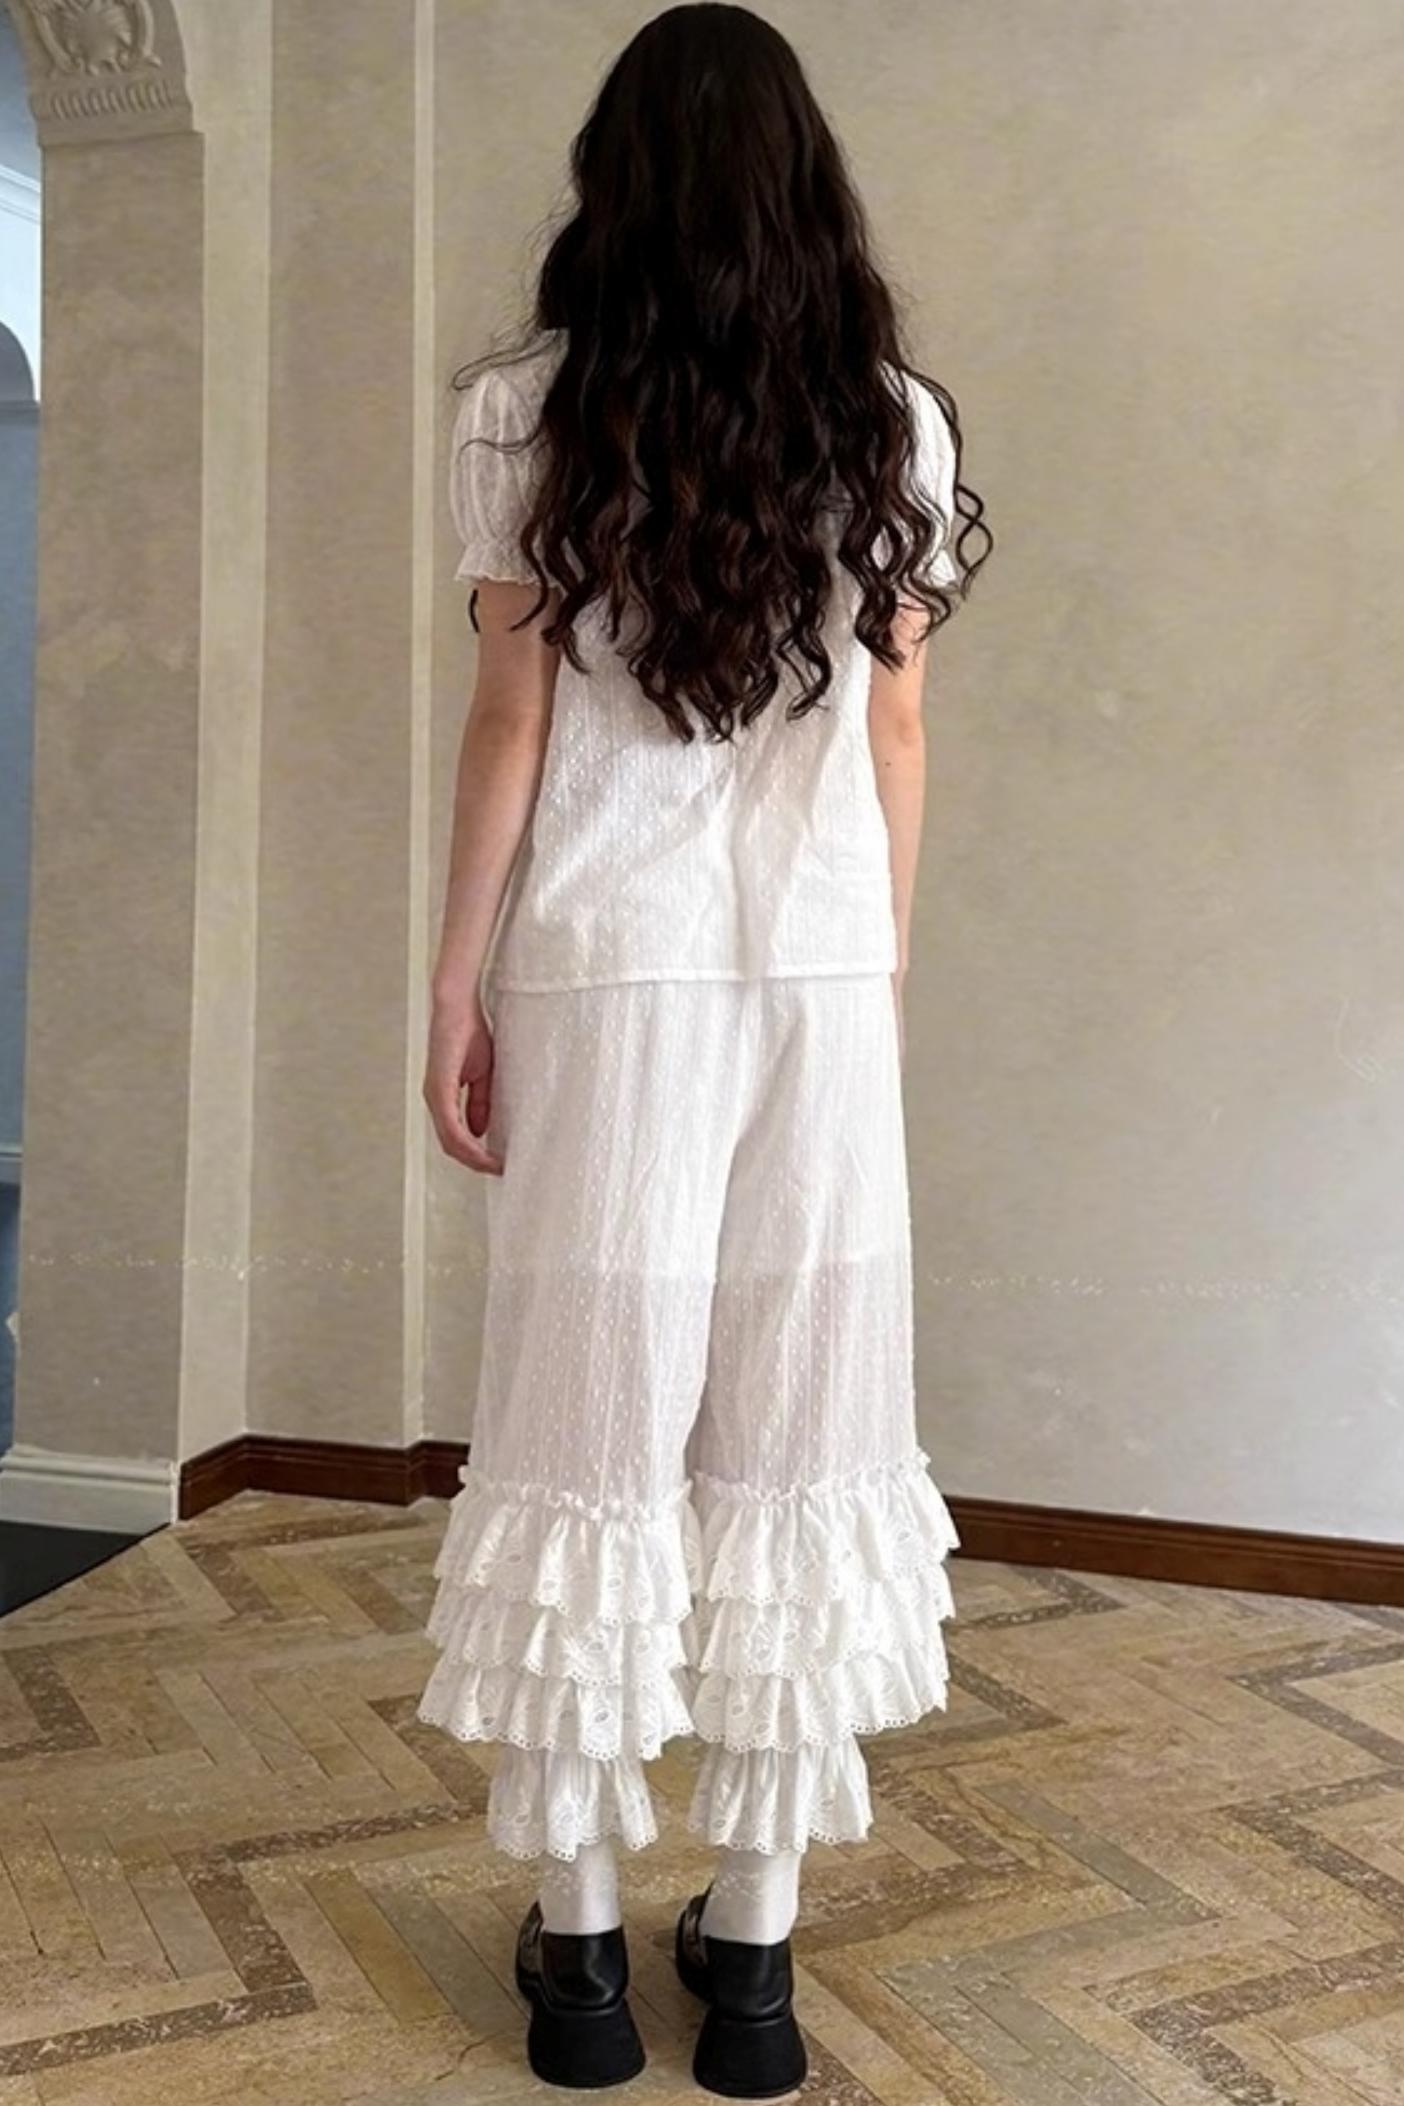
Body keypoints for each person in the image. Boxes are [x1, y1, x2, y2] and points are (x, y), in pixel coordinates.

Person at [417, 4, 990, 2094]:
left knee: (585, 1433)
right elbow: (896, 732)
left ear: (616, 185)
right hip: (816, 984)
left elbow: (514, 723)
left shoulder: (526, 411)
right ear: (806, 188)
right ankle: (749, 1964)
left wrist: (456, 981)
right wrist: (876, 974)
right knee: (802, 1436)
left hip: (604, 972)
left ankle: (578, 1956)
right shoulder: (893, 422)